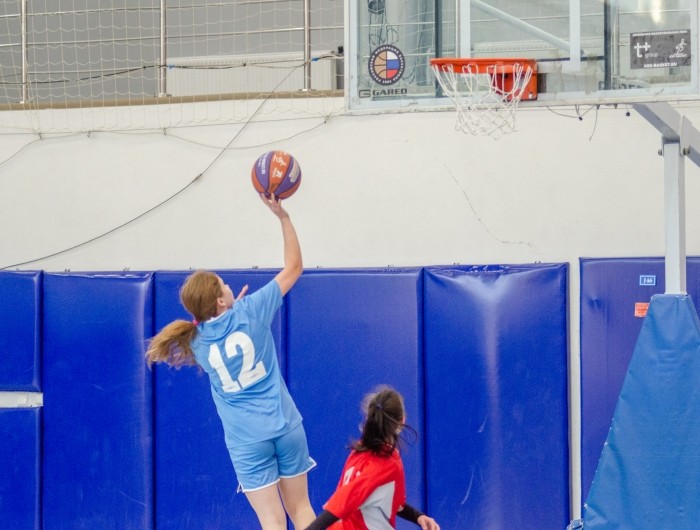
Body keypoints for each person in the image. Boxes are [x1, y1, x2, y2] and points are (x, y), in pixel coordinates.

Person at [146, 194, 316, 530]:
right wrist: (283, 217)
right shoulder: (252, 310)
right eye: (223, 284)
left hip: (247, 441)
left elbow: (214, 329)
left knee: (271, 519)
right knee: (301, 509)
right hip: (285, 426)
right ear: (221, 301)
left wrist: (230, 313)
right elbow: (294, 266)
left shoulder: (195, 341)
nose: (227, 284)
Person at [304, 386, 440, 530]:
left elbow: (393, 503)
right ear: (402, 421)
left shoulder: (358, 451)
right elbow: (341, 503)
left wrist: (418, 516)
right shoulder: (386, 465)